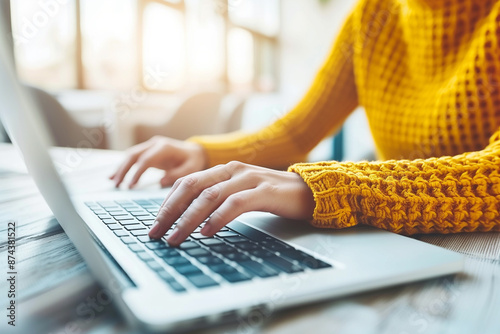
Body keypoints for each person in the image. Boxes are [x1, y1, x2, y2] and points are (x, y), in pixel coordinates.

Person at [110, 0, 500, 247]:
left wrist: (331, 187)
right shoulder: (373, 15)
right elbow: (298, 132)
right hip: (401, 240)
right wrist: (204, 151)